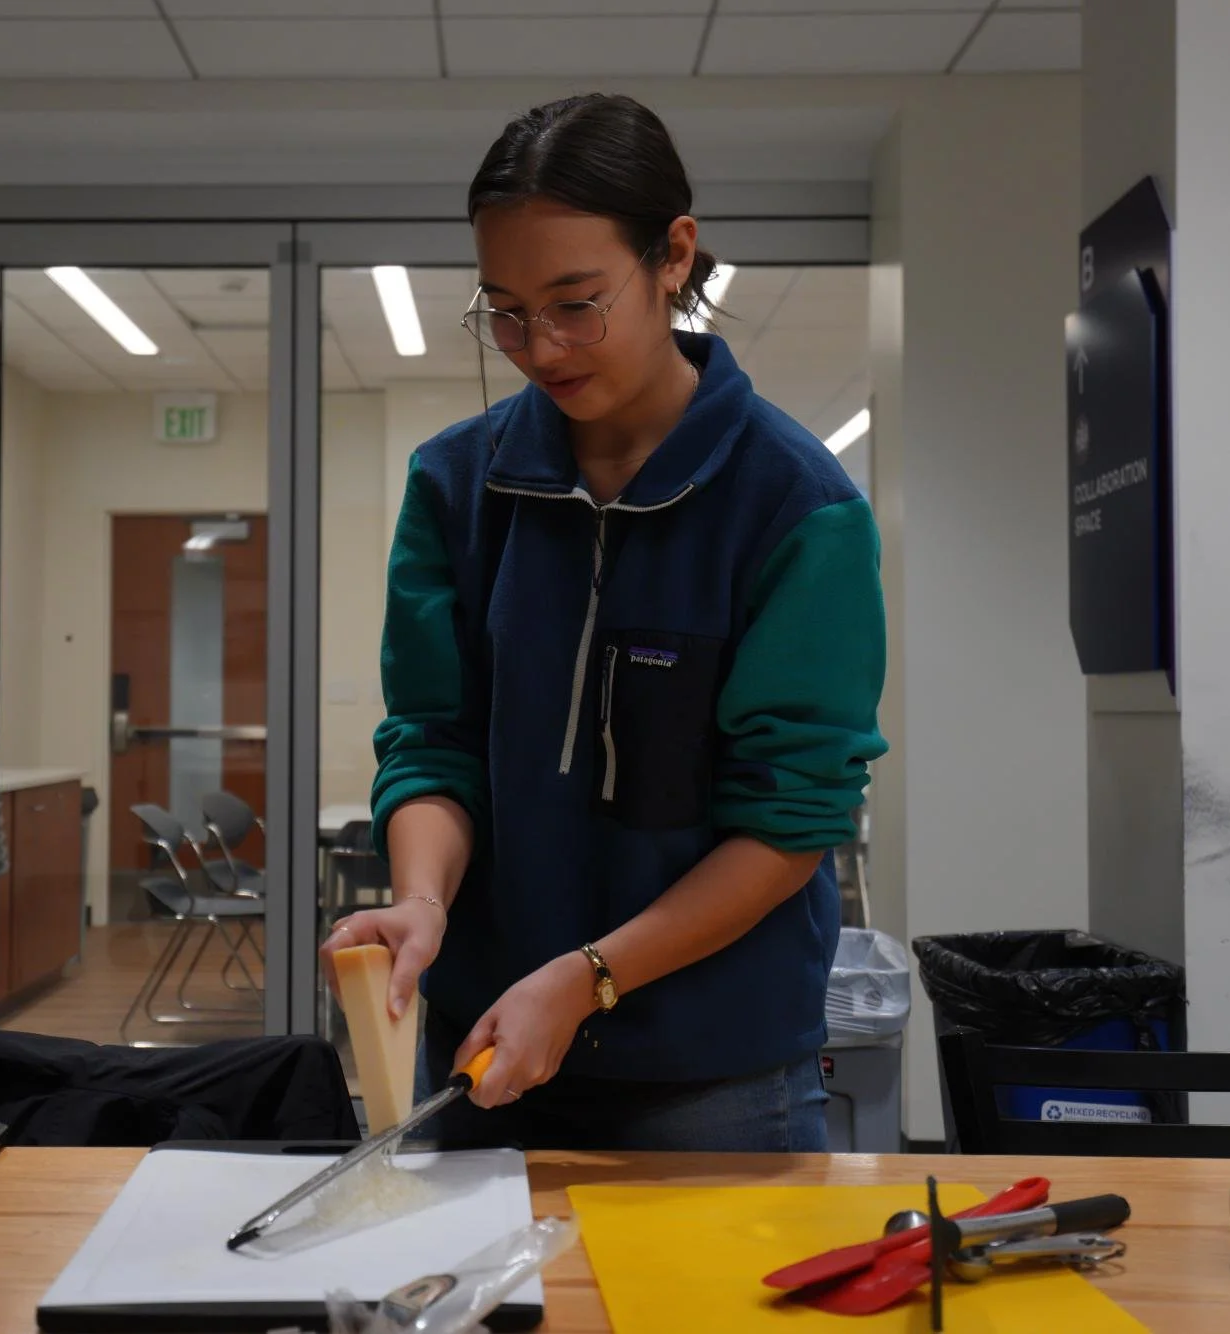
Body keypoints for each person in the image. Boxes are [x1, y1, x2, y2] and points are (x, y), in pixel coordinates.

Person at [318, 93, 887, 1152]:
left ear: (674, 254)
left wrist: (591, 976)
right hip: (485, 1053)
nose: (540, 346)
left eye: (577, 302)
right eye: (505, 309)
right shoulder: (456, 483)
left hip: (714, 1076)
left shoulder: (796, 508)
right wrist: (424, 901)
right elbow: (434, 740)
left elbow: (787, 824)